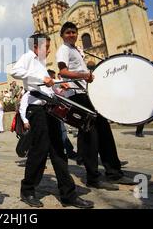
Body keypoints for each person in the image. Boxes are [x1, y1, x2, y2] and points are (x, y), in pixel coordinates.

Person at [11, 32, 94, 209]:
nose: (48, 50)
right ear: (36, 46)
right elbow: (15, 71)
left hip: (49, 109)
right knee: (39, 150)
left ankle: (68, 195)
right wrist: (43, 79)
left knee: (58, 150)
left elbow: (47, 83)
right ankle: (27, 190)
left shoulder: (40, 63)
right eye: (46, 47)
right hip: (37, 110)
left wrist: (57, 83)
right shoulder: (28, 57)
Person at [56, 22, 135, 190]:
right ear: (62, 35)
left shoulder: (76, 50)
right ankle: (93, 177)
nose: (72, 35)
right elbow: (62, 72)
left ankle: (114, 172)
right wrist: (84, 75)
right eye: (68, 32)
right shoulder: (63, 49)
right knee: (90, 135)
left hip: (87, 94)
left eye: (74, 32)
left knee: (103, 130)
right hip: (77, 95)